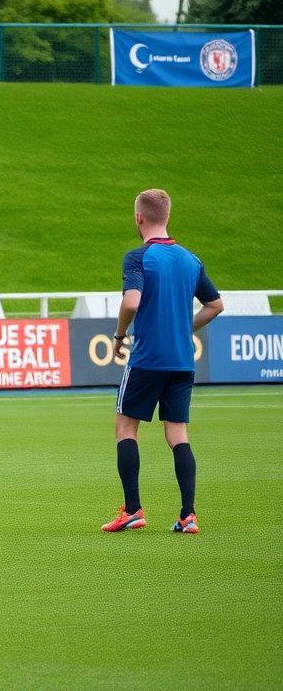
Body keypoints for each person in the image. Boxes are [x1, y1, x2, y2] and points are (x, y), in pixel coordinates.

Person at [102, 189, 223, 534]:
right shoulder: (189, 259)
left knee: (126, 428)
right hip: (183, 361)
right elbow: (215, 305)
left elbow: (131, 302)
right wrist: (183, 327)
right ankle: (188, 515)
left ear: (139, 218)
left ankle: (134, 510)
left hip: (148, 359)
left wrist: (119, 335)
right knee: (178, 435)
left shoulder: (138, 257)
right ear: (166, 217)